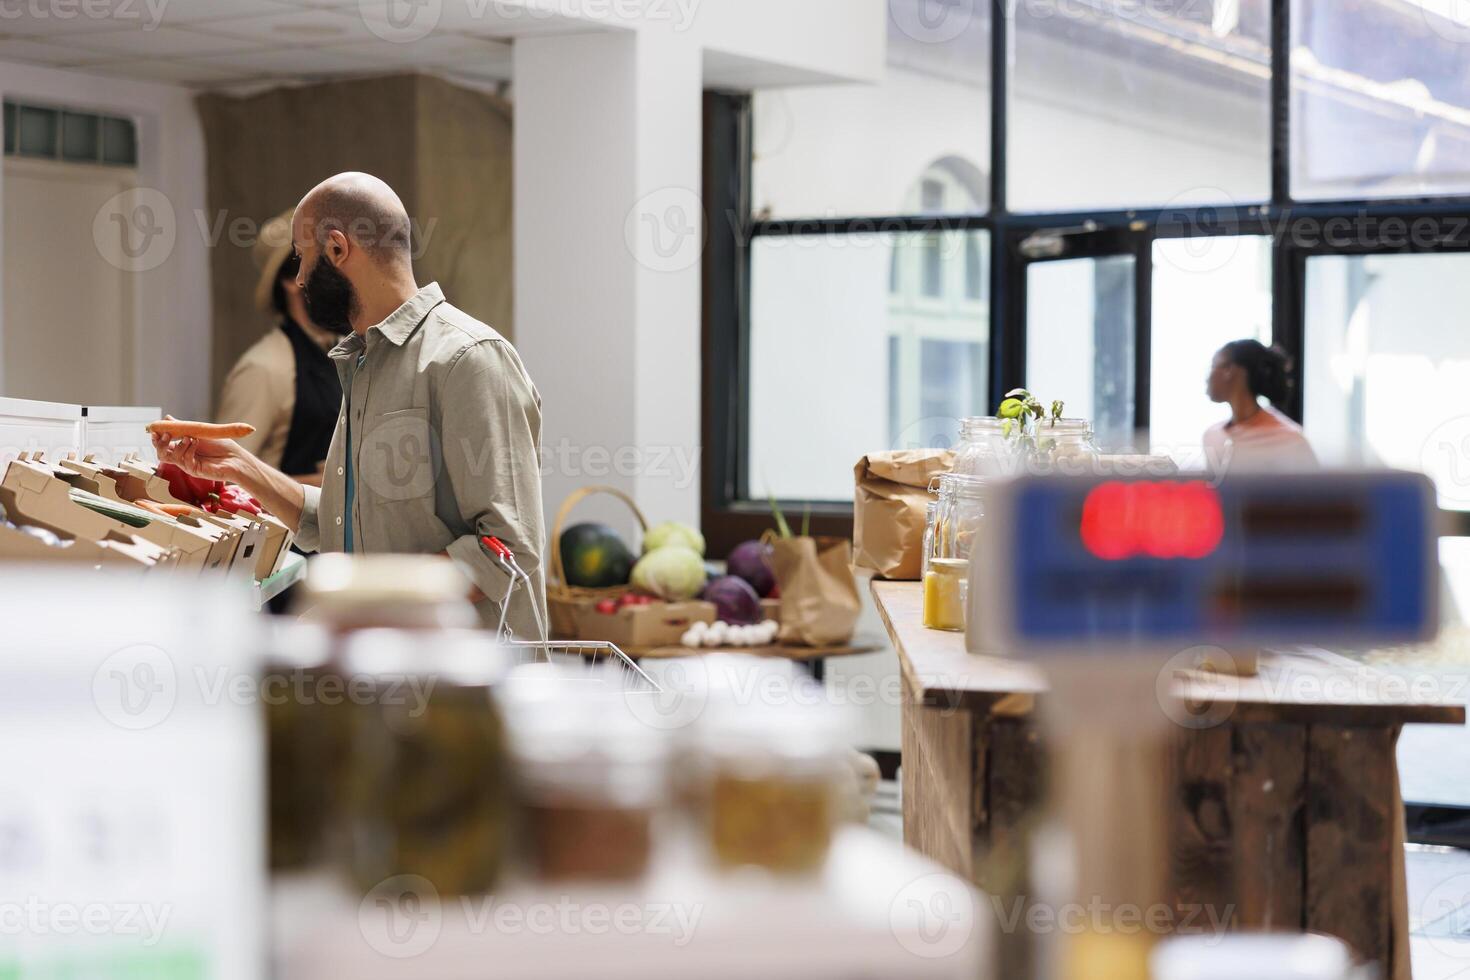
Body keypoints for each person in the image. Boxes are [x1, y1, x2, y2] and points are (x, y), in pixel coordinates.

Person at [153, 172, 546, 635]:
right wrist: (239, 467)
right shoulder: (363, 363)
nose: (298, 279)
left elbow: (506, 549)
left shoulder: (468, 358)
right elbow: (342, 522)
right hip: (389, 682)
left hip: (464, 691)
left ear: (338, 249)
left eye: (302, 258)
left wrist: (361, 606)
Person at [216, 208, 347, 485]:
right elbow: (222, 482)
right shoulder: (263, 368)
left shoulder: (344, 353)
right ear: (291, 279)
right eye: (325, 263)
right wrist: (320, 484)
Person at [1203, 339, 1317, 472]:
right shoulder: (1212, 436)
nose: (1207, 378)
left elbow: (1315, 492)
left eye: (1212, 366)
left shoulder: (1291, 441)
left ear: (1229, 370)